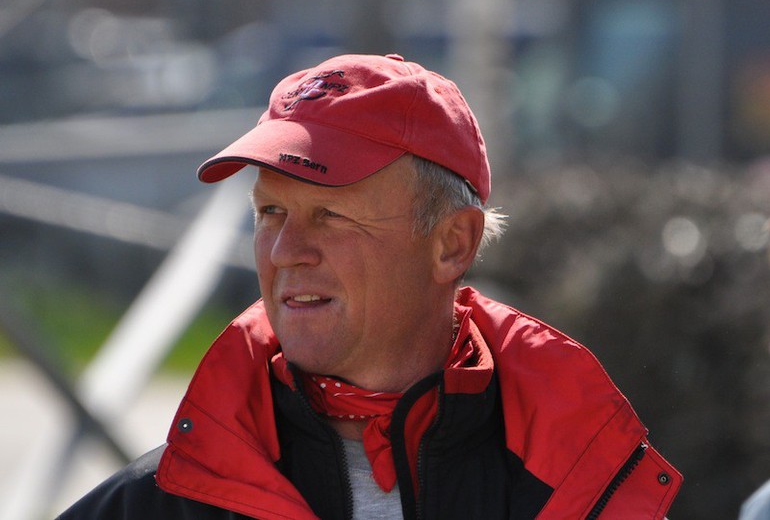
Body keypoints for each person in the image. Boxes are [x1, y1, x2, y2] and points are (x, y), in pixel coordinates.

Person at [57, 53, 682, 520]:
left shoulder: (578, 479)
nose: (285, 252)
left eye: (330, 215)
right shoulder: (156, 502)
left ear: (452, 245)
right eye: (269, 213)